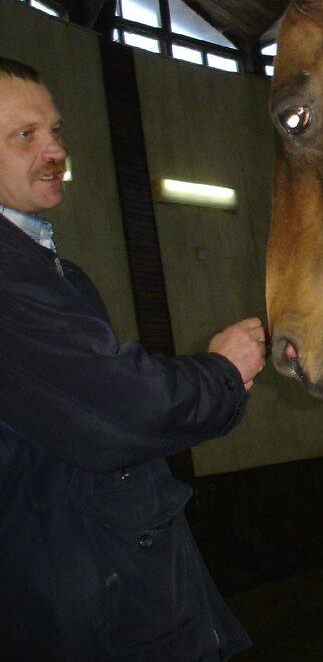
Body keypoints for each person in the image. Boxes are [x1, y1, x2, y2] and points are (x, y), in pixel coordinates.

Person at [0, 56, 266, 660]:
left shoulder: (51, 270)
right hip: (76, 617)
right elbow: (114, 412)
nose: (55, 149)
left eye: (56, 130)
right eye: (25, 135)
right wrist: (221, 374)